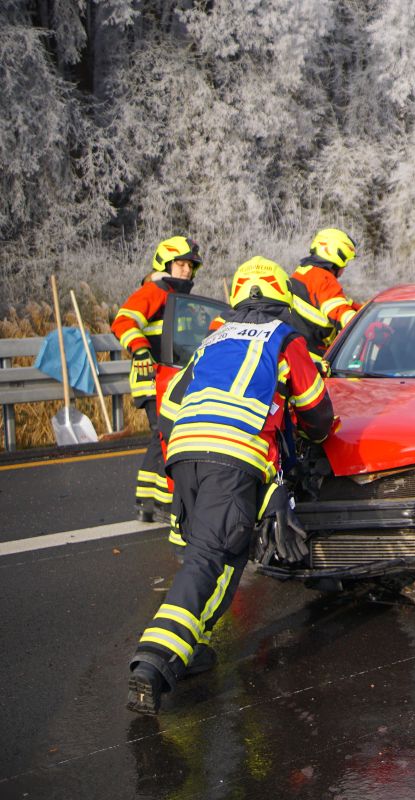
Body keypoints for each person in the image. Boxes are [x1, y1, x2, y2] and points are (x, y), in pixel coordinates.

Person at [126, 257, 334, 715]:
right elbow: (317, 410)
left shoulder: (212, 339)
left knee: (208, 555)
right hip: (233, 458)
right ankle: (154, 662)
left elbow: (170, 405)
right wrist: (310, 439)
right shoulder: (285, 338)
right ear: (282, 299)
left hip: (185, 454)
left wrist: (174, 462)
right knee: (213, 560)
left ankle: (188, 648)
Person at [111, 236, 203, 523]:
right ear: (165, 264)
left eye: (190, 265)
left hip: (171, 380)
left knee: (160, 437)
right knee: (168, 437)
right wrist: (139, 349)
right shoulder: (156, 290)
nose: (186, 270)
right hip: (154, 380)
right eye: (180, 264)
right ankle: (164, 503)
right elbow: (123, 321)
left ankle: (148, 502)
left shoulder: (179, 298)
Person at [291, 227, 360, 344]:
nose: (344, 269)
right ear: (337, 256)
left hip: (298, 348)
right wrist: (366, 328)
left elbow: (338, 302)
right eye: (345, 264)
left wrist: (367, 310)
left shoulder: (303, 272)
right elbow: (341, 313)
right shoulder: (323, 278)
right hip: (314, 355)